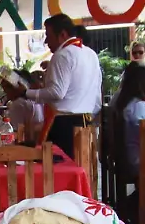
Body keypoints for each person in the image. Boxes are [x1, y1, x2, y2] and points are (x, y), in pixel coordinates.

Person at [8, 13, 101, 149]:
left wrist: (26, 92)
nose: (46, 42)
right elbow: (96, 94)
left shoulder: (62, 54)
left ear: (62, 34)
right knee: (82, 166)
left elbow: (57, 93)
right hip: (87, 121)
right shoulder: (91, 54)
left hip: (64, 123)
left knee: (60, 168)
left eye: (48, 36)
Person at [112, 60, 145, 178]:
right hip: (140, 160)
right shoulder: (139, 106)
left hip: (128, 157)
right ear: (142, 84)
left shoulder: (127, 103)